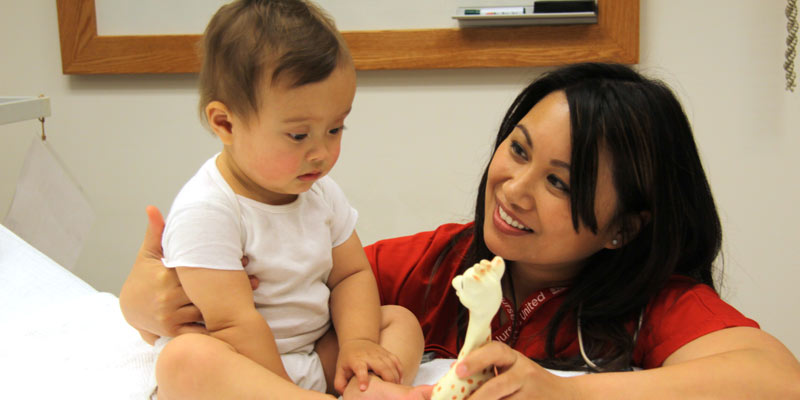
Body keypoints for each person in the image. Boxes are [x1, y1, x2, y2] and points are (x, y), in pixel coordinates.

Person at [121, 63, 800, 399]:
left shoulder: (652, 302)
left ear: (621, 228)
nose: (514, 188)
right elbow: (290, 294)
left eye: (560, 183)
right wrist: (143, 302)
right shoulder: (443, 260)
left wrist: (563, 388)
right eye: (519, 149)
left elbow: (774, 378)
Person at [142, 0, 424, 399]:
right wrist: (283, 388)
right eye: (298, 135)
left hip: (314, 351)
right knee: (185, 360)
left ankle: (366, 388)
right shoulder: (208, 209)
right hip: (247, 368)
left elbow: (351, 275)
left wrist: (358, 344)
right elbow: (234, 324)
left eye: (335, 129)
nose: (321, 153)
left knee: (399, 321)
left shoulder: (320, 192)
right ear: (225, 124)